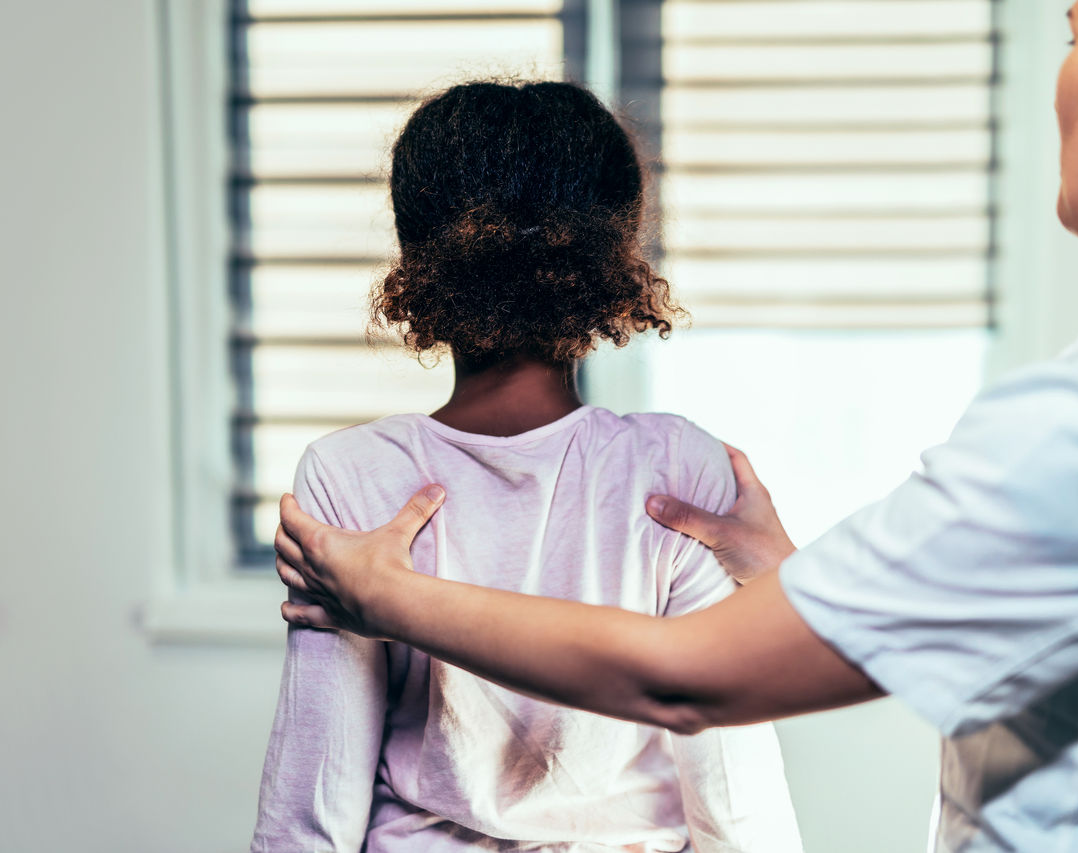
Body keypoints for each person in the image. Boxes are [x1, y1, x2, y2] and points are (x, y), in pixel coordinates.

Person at [271, 1, 1078, 849]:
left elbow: (684, 682)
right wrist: (787, 568)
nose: (1057, 79)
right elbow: (747, 784)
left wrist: (381, 591)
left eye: (1069, 34)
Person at [251, 80, 803, 852]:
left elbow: (315, 800)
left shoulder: (349, 475)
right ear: (615, 257)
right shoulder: (681, 469)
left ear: (416, 254)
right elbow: (734, 794)